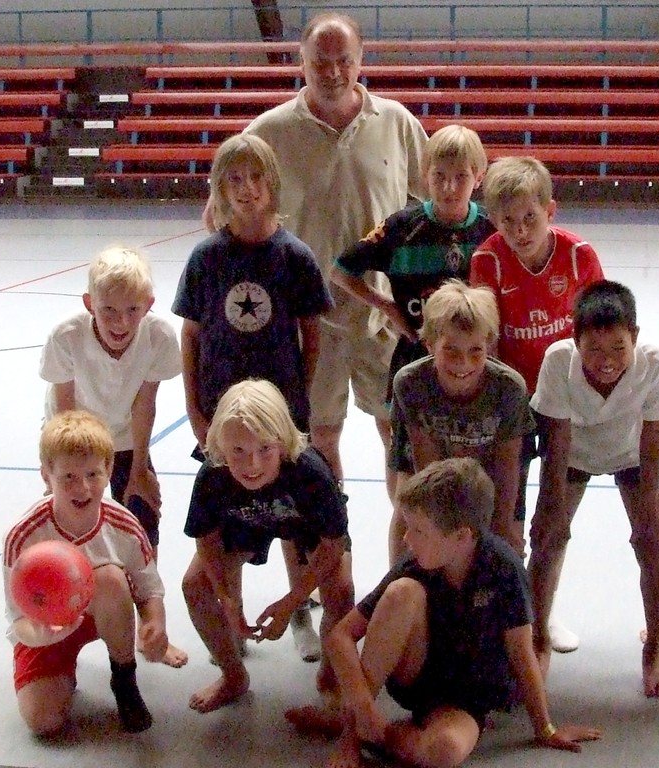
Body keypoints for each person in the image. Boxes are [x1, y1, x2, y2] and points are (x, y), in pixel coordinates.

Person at [205, 11, 427, 657]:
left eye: (344, 60)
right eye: (319, 61)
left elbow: (439, 198)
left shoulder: (397, 124)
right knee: (313, 450)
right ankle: (321, 585)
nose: (332, 72)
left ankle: (405, 577)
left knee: (399, 444)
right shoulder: (269, 132)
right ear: (300, 63)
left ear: (361, 61)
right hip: (307, 327)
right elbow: (221, 204)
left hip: (384, 318)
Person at [287, 457, 602, 768]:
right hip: (418, 674)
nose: (407, 539)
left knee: (445, 750)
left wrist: (545, 728)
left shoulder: (502, 568)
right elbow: (342, 635)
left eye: (419, 531)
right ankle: (351, 734)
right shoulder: (413, 566)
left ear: (462, 536)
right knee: (402, 593)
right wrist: (363, 704)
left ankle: (367, 729)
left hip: (466, 699)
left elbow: (521, 650)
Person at [174, 133, 333, 662]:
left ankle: (301, 611)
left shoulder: (295, 257)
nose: (246, 190)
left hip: (280, 417)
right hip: (222, 416)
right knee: (231, 513)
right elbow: (191, 334)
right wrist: (195, 409)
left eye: (256, 178)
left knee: (291, 512)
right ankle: (230, 616)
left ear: (273, 184)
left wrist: (297, 401)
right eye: (234, 180)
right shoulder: (206, 258)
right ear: (219, 189)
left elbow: (311, 333)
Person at [331, 123, 494, 561]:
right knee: (410, 482)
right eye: (439, 175)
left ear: (478, 176)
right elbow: (342, 269)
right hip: (415, 367)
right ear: (424, 175)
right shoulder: (402, 227)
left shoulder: (490, 234)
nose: (449, 185)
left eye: (461, 176)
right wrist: (384, 305)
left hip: (472, 373)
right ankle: (402, 576)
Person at [469, 155, 605, 653]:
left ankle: (540, 612)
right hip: (514, 406)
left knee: (554, 517)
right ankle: (508, 615)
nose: (520, 230)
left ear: (551, 210)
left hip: (566, 407)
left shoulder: (577, 257)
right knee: (508, 515)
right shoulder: (486, 260)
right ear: (493, 221)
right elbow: (491, 340)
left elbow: (596, 333)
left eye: (530, 218)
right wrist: (505, 409)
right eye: (507, 222)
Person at [530, 281, 659, 695]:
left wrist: (652, 504)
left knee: (653, 544)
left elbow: (653, 439)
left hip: (631, 455)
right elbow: (555, 439)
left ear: (635, 336)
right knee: (548, 541)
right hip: (573, 453)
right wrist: (550, 506)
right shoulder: (558, 360)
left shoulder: (655, 364)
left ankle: (654, 649)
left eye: (618, 347)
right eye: (593, 349)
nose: (606, 360)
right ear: (575, 342)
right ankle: (537, 639)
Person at [39, 244, 187, 668]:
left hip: (123, 439)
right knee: (73, 522)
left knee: (142, 518)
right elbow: (64, 413)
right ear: (89, 305)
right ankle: (60, 616)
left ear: (149, 306)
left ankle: (151, 627)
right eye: (108, 311)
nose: (121, 322)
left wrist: (138, 467)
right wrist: (67, 472)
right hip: (71, 439)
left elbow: (146, 404)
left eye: (132, 311)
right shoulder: (67, 337)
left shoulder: (158, 336)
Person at [181, 379, 354, 714]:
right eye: (238, 452)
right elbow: (207, 538)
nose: (252, 465)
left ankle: (330, 674)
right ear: (219, 447)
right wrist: (227, 598)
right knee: (194, 587)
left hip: (305, 526)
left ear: (282, 441)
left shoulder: (311, 472)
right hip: (243, 522)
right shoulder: (213, 475)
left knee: (342, 590)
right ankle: (233, 676)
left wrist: (292, 601)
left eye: (265, 450)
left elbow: (333, 544)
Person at [2, 410, 171, 735]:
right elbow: (18, 619)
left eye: (93, 474)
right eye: (68, 477)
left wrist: (155, 624)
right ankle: (60, 671)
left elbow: (150, 589)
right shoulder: (23, 536)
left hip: (103, 611)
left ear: (109, 470)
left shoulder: (123, 526)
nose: (83, 488)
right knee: (44, 723)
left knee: (109, 578)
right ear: (46, 475)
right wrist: (43, 635)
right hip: (46, 623)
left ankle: (124, 678)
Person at [389, 280, 534, 560]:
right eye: (451, 350)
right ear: (430, 344)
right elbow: (426, 466)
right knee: (413, 525)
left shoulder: (509, 388)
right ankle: (399, 577)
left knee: (504, 544)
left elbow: (508, 468)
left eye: (475, 351)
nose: (463, 363)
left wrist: (500, 534)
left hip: (491, 469)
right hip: (433, 466)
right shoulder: (410, 383)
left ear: (489, 346)